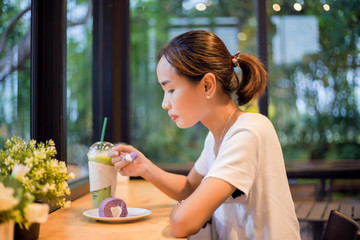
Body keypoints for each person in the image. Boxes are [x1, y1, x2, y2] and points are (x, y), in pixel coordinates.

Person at [109, 30, 301, 239]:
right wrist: (144, 167)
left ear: (207, 86)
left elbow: (183, 223)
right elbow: (191, 187)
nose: (165, 104)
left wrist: (184, 210)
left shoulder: (248, 131)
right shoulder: (216, 136)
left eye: (171, 90)